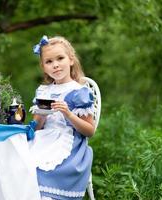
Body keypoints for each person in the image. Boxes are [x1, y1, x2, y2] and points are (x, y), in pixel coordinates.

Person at [30, 35, 95, 200]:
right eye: (49, 61)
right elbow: (35, 127)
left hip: (69, 146)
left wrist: (68, 114)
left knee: (42, 168)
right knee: (21, 163)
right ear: (43, 67)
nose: (55, 65)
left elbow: (89, 131)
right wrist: (42, 116)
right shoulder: (43, 91)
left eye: (60, 58)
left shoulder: (79, 92)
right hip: (43, 140)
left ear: (71, 60)